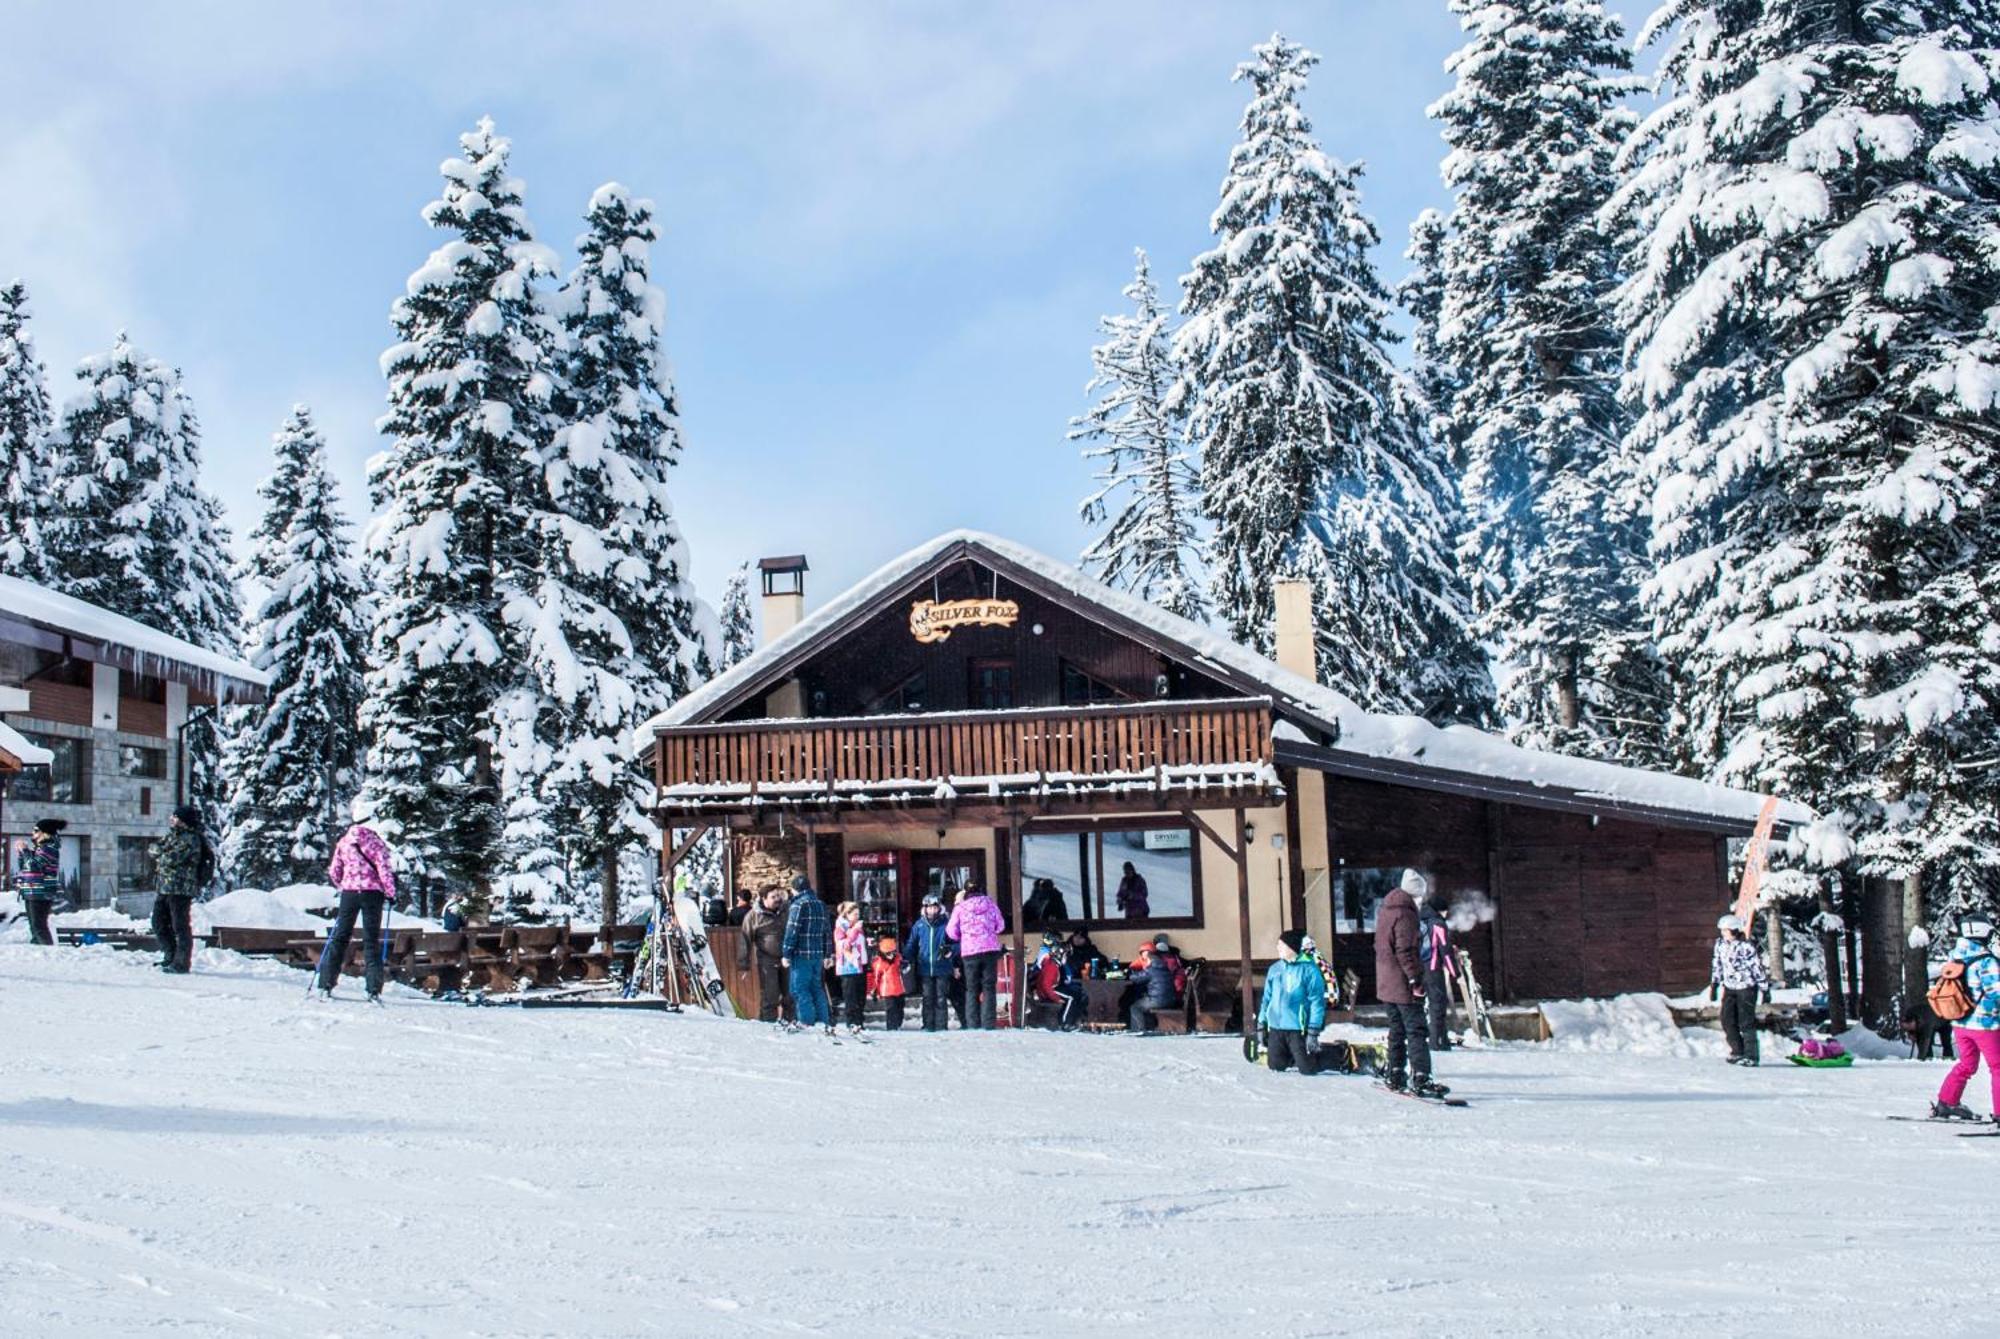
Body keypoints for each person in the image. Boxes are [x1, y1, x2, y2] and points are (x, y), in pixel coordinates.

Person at [316, 799, 399, 1000]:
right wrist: (390, 892)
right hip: (372, 894)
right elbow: (384, 870)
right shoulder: (376, 842)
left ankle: (325, 983)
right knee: (371, 940)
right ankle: (372, 989)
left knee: (340, 936)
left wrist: (343, 884)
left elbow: (334, 870)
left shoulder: (344, 842)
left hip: (349, 893)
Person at [1375, 869, 1445, 1097]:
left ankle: (1395, 1073)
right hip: (1402, 982)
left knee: (1396, 1029)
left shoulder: (1386, 910)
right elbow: (1405, 950)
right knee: (1416, 1030)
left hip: (1386, 981)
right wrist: (1415, 978)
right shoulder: (1406, 914)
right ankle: (1422, 1077)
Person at [1931, 915, 2000, 1122]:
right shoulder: (1986, 961)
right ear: (1981, 932)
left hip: (1960, 1023)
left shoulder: (1957, 958)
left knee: (1967, 1064)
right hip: (1985, 1025)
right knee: (1998, 1067)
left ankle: (1947, 1102)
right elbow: (1996, 992)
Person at [1258, 929, 1328, 1074]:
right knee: (1275, 1066)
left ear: (1292, 948)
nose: (1278, 948)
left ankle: (1336, 1055)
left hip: (1298, 1028)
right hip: (1276, 1027)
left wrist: (1313, 1031)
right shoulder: (1275, 969)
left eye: (1281, 945)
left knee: (1307, 1069)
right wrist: (1261, 1023)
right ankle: (1291, 1054)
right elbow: (1266, 998)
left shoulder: (1310, 970)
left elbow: (1317, 1002)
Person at [153, 805, 212, 974]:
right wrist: (161, 852)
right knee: (158, 923)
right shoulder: (172, 836)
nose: (172, 819)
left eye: (175, 817)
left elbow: (171, 858)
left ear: (183, 820)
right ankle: (170, 955)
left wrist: (161, 853)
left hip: (180, 889)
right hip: (164, 887)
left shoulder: (191, 839)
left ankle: (181, 963)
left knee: (180, 926)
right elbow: (153, 849)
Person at [1709, 913, 1770, 1066]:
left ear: (1734, 930)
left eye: (1725, 930)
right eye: (1722, 930)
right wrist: (1715, 984)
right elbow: (1717, 965)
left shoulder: (1746, 947)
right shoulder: (1720, 945)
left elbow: (1757, 968)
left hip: (1746, 988)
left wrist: (1764, 989)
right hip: (1730, 987)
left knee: (1746, 1022)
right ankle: (1738, 1051)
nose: (1723, 933)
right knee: (1727, 1020)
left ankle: (1751, 1056)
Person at [946, 881, 1005, 1029]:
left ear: (965, 893)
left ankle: (972, 1024)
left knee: (971, 989)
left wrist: (962, 936)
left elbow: (951, 932)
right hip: (990, 950)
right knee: (989, 987)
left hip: (970, 952)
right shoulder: (991, 905)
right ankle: (989, 1023)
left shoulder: (960, 908)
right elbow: (1001, 926)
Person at [780, 874, 834, 1035]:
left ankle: (806, 1022)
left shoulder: (798, 905)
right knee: (817, 988)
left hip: (801, 954)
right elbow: (827, 931)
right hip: (817, 954)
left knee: (799, 989)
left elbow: (792, 931)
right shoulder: (820, 904)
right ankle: (824, 1021)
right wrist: (828, 954)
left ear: (795, 889)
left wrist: (786, 953)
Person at [904, 893, 959, 1031]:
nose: (932, 911)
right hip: (925, 967)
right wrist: (906, 958)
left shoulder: (946, 924)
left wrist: (950, 950)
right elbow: (912, 944)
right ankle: (928, 1025)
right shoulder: (919, 925)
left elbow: (957, 942)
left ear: (939, 908)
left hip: (942, 966)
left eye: (935, 907)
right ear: (925, 909)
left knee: (941, 998)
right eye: (929, 908)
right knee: (927, 997)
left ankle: (941, 1025)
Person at [738, 887, 791, 1023]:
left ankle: (791, 1022)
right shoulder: (753, 916)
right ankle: (768, 1024)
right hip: (767, 959)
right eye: (773, 897)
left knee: (790, 994)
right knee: (770, 994)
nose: (777, 899)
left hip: (787, 958)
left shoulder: (786, 910)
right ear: (764, 899)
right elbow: (745, 940)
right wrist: (744, 965)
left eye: (779, 895)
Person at [16, 817, 67, 946]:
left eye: (35, 830)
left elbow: (35, 865)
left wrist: (25, 851)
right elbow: (25, 867)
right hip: (32, 891)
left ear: (44, 833)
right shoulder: (40, 849)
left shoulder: (49, 849)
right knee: (34, 926)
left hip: (41, 892)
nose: (32, 833)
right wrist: (21, 854)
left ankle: (48, 952)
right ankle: (38, 950)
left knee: (39, 927)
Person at [1418, 896, 1456, 1051]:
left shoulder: (1419, 920)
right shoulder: (1438, 924)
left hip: (1417, 968)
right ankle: (1436, 1042)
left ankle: (1442, 1039)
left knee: (1423, 1005)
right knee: (1438, 1005)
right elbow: (1445, 952)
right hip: (1433, 969)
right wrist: (1455, 973)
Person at [1127, 934, 1185, 1033]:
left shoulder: (1151, 969)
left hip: (1160, 1001)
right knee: (1143, 1001)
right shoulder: (1164, 966)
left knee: (1135, 1007)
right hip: (1171, 998)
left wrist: (1128, 974)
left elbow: (1136, 978)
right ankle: (1148, 1027)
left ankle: (1138, 1030)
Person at [1033, 931, 1088, 1030]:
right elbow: (1046, 985)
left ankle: (1074, 1021)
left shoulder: (1056, 965)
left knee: (1078, 994)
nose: (1066, 958)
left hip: (1053, 988)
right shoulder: (1052, 966)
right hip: (1047, 991)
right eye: (1065, 955)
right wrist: (1056, 998)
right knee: (1071, 998)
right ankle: (1064, 1023)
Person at [833, 900, 869, 1033]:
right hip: (848, 967)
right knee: (850, 996)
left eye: (858, 914)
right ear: (846, 914)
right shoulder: (840, 928)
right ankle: (851, 1021)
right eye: (854, 914)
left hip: (860, 965)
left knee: (860, 995)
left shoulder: (856, 927)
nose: (857, 917)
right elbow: (844, 945)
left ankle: (859, 1021)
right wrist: (854, 931)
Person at [868, 934, 908, 1031]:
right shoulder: (879, 963)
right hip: (887, 991)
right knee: (891, 1009)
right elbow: (876, 978)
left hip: (899, 989)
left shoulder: (899, 959)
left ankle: (898, 1024)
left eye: (892, 953)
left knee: (900, 1008)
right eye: (888, 953)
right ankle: (891, 1027)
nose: (890, 955)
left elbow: (905, 971)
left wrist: (905, 967)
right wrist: (874, 991)